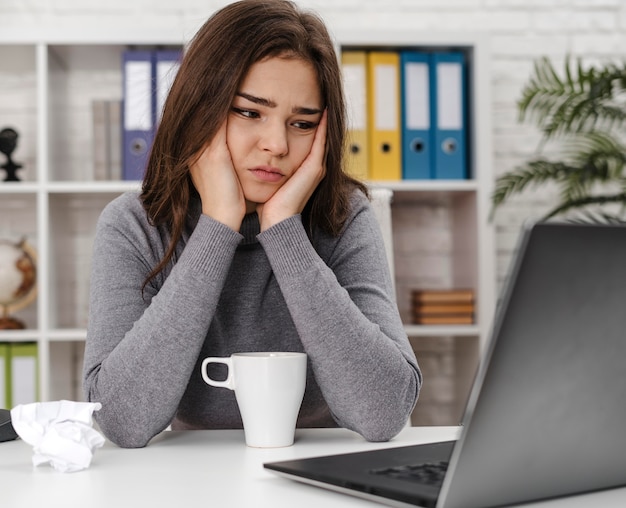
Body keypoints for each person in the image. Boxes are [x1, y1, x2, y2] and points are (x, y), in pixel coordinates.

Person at [83, 0, 421, 448]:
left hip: (322, 469)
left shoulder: (344, 217)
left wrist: (282, 230)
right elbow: (122, 420)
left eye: (302, 123)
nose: (277, 145)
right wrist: (218, 225)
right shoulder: (133, 225)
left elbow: (384, 413)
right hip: (193, 479)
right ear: (199, 109)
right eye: (249, 112)